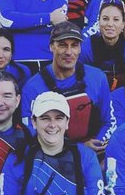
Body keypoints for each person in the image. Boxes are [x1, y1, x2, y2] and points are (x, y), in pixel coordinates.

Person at [21, 22, 117, 151]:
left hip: (91, 156)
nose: (69, 52)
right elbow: (30, 134)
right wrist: (77, 149)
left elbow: (109, 122)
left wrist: (94, 146)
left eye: (74, 46)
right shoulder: (32, 88)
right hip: (49, 156)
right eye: (62, 45)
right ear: (51, 47)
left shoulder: (97, 78)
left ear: (80, 48)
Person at [80, 0, 125, 90]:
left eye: (116, 19)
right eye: (105, 19)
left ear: (123, 24)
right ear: (98, 22)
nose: (110, 24)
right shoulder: (86, 47)